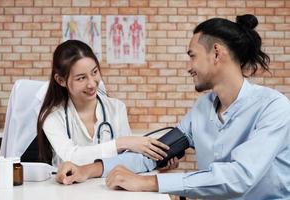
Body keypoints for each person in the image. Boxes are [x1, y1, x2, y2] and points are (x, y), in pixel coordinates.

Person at [55, 14, 290, 199]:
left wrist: (148, 182)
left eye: (192, 56)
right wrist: (87, 170)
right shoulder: (202, 109)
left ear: (216, 53)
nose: (189, 66)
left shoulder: (273, 108)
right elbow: (154, 153)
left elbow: (240, 178)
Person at [37, 40, 171, 167]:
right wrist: (121, 143)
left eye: (94, 72)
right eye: (81, 78)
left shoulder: (116, 108)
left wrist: (157, 164)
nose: (92, 83)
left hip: (110, 187)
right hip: (66, 189)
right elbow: (71, 156)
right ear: (60, 80)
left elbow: (128, 158)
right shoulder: (52, 115)